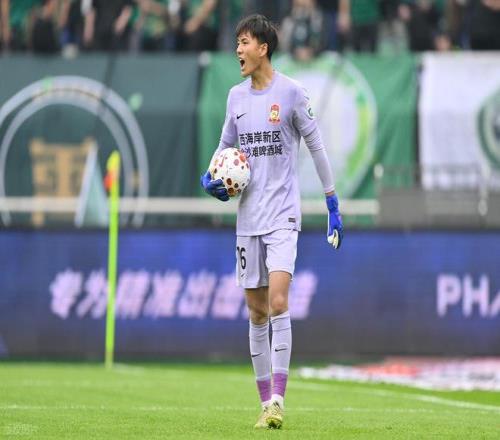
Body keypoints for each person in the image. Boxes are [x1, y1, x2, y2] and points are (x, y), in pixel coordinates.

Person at [200, 14, 343, 430]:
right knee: (256, 311)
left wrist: (332, 200)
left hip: (283, 214)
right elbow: (224, 147)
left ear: (263, 48)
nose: (238, 50)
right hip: (248, 218)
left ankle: (278, 400)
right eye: (236, 43)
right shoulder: (235, 98)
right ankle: (264, 403)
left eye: (244, 42)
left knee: (279, 302)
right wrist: (209, 177)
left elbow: (316, 145)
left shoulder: (292, 93)